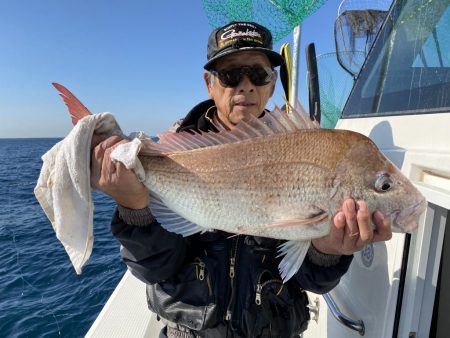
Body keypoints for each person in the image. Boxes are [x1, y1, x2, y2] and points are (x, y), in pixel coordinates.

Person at [90, 21, 392, 338]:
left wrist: (326, 250)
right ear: (209, 83)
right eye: (231, 75)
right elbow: (155, 268)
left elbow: (310, 282)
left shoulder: (305, 147)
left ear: (273, 84)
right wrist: (134, 208)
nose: (245, 86)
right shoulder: (170, 155)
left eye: (258, 75)